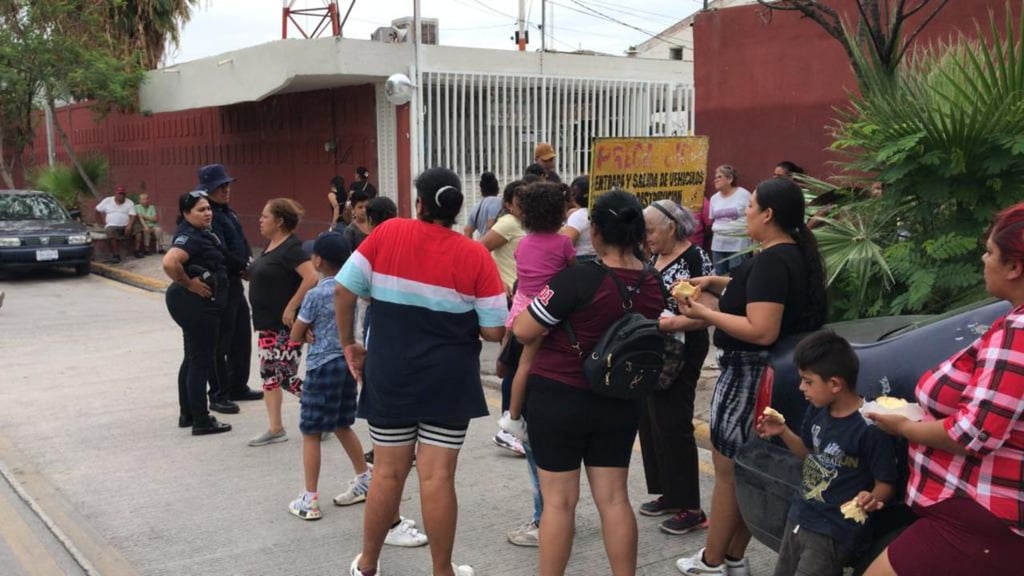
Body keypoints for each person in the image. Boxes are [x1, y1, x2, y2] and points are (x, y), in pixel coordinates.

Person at [337, 167, 507, 576]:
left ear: (419, 204)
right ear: (455, 210)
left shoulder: (389, 232)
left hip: (390, 373)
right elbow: (493, 330)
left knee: (387, 474)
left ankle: (369, 566)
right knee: (437, 478)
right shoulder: (475, 255)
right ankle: (442, 570)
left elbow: (344, 290)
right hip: (449, 380)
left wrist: (350, 343)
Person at [676, 177, 827, 575]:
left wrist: (703, 313)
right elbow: (757, 292)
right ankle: (733, 558)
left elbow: (762, 328)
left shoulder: (772, 262)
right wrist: (716, 283)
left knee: (730, 474)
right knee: (749, 470)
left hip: (748, 372)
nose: (745, 212)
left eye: (750, 206)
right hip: (773, 372)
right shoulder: (790, 254)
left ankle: (711, 562)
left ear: (768, 214)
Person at [862, 202, 1024, 576]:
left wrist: (904, 428)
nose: (983, 259)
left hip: (981, 513)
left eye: (990, 252)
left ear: (1014, 267)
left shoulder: (1017, 332)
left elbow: (974, 431)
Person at [512, 189, 665, 576]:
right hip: (619, 399)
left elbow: (524, 330)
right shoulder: (652, 283)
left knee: (559, 503)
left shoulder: (576, 278)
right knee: (614, 499)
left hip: (559, 396)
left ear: (594, 230)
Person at [757, 330, 897, 576]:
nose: (801, 387)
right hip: (800, 515)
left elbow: (885, 483)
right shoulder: (817, 412)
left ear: (834, 384)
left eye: (808, 381)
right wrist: (783, 432)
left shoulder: (870, 428)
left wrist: (870, 498)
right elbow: (809, 454)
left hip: (833, 532)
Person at [639, 200, 714, 535]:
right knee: (652, 422)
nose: (646, 237)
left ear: (671, 226)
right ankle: (669, 494)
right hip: (657, 348)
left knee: (674, 422)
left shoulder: (695, 258)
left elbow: (708, 311)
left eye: (651, 230)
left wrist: (670, 323)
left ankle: (692, 507)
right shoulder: (654, 257)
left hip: (682, 349)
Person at [288, 231, 367, 519]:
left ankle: (309, 499)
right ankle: (364, 479)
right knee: (342, 424)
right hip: (347, 364)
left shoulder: (316, 293)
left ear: (318, 260)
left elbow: (296, 334)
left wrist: (302, 331)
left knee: (311, 431)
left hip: (321, 366)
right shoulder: (351, 290)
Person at [498, 181, 575, 438]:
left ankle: (511, 406)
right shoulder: (562, 243)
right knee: (527, 364)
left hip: (521, 305)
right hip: (543, 308)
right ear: (558, 213)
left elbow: (522, 271)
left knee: (518, 361)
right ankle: (514, 416)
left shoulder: (524, 243)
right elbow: (572, 272)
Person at [246, 198, 319, 447]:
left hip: (285, 324)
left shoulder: (291, 248)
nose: (261, 220)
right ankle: (275, 427)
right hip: (267, 324)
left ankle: (323, 411)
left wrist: (291, 306)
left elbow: (311, 278)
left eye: (265, 216)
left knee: (284, 375)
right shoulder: (271, 247)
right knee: (269, 375)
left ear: (279, 221)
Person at [161, 190, 231, 436]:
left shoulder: (201, 233)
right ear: (186, 214)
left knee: (192, 357)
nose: (208, 213)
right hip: (193, 303)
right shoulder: (189, 236)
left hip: (193, 303)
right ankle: (201, 419)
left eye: (209, 208)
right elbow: (170, 262)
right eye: (201, 210)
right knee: (200, 360)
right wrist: (189, 284)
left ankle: (188, 414)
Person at [199, 164, 263, 412]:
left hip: (236, 281)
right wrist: (241, 268)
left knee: (241, 337)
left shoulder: (228, 212)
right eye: (220, 186)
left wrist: (248, 262)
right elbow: (219, 250)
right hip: (221, 282)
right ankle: (218, 394)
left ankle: (238, 385)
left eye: (227, 185)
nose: (226, 189)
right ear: (208, 188)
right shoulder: (208, 214)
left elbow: (241, 241)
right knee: (221, 341)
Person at [480, 180, 528, 456]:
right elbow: (479, 250)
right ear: (508, 204)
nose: (524, 205)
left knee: (523, 362)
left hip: (525, 299)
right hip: (513, 300)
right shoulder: (509, 223)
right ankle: (507, 428)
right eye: (519, 200)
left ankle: (515, 423)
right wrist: (497, 282)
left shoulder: (527, 225)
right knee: (514, 362)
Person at [708, 165, 752, 275]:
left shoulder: (743, 194)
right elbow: (712, 219)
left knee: (736, 276)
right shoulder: (714, 198)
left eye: (719, 177)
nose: (716, 179)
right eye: (715, 177)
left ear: (730, 179)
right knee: (719, 276)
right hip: (718, 244)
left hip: (738, 245)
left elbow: (752, 216)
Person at [94, 185, 136, 263]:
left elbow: (133, 215)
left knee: (137, 229)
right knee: (110, 231)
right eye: (119, 194)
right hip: (112, 226)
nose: (121, 196)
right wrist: (100, 223)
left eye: (123, 194)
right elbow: (97, 210)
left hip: (125, 226)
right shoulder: (108, 201)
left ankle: (136, 251)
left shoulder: (129, 202)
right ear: (116, 194)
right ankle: (115, 255)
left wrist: (129, 226)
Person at [560, 176, 596, 263]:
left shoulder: (578, 216)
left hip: (580, 260)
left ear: (573, 195)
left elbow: (566, 245)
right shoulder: (597, 212)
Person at [463, 172, 502, 238]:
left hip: (482, 245)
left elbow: (467, 231)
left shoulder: (476, 207)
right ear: (498, 189)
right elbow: (491, 224)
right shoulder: (498, 202)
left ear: (481, 191)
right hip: (497, 246)